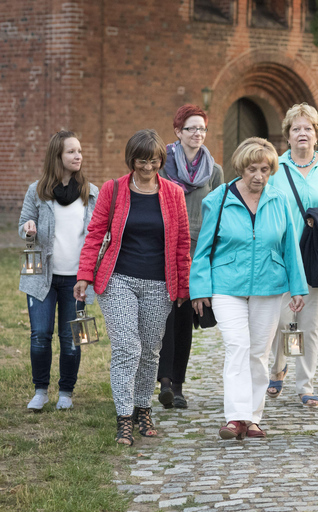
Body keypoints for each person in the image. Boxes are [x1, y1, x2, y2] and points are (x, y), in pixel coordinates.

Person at [74, 129, 191, 446]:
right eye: (142, 161)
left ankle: (143, 410)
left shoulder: (174, 194)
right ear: (132, 160)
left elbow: (181, 244)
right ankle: (124, 417)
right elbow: (95, 235)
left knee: (151, 352)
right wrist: (84, 275)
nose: (148, 167)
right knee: (128, 348)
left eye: (154, 161)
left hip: (158, 282)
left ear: (160, 161)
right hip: (117, 279)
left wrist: (182, 287)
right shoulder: (113, 191)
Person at [190, 137, 307, 440]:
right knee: (237, 346)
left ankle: (253, 418)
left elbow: (290, 246)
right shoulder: (218, 199)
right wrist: (199, 289)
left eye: (265, 169)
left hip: (269, 285)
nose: (259, 176)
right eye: (253, 169)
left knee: (258, 352)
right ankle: (235, 417)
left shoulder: (279, 199)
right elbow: (203, 249)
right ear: (241, 168)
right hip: (226, 284)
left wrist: (298, 287)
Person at [266, 103, 318, 408]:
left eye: (308, 128)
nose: (302, 133)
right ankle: (279, 364)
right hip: (284, 256)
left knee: (309, 322)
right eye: (296, 128)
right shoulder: (275, 168)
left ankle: (305, 385)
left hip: (317, 255)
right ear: (288, 135)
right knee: (283, 320)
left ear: (316, 133)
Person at [18, 130, 98, 412]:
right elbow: (22, 227)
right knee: (40, 334)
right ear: (57, 156)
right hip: (39, 273)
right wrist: (28, 229)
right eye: (71, 152)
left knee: (72, 337)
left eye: (79, 151)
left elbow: (99, 236)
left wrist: (90, 275)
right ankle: (40, 391)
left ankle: (66, 391)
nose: (78, 156)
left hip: (78, 279)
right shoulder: (37, 191)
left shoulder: (91, 193)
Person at [156, 104, 223, 410]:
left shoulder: (215, 170)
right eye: (191, 129)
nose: (198, 134)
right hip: (163, 248)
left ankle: (178, 385)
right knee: (163, 318)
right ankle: (164, 381)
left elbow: (220, 214)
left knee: (185, 317)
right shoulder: (161, 165)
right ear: (177, 132)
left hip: (197, 254)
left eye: (202, 129)